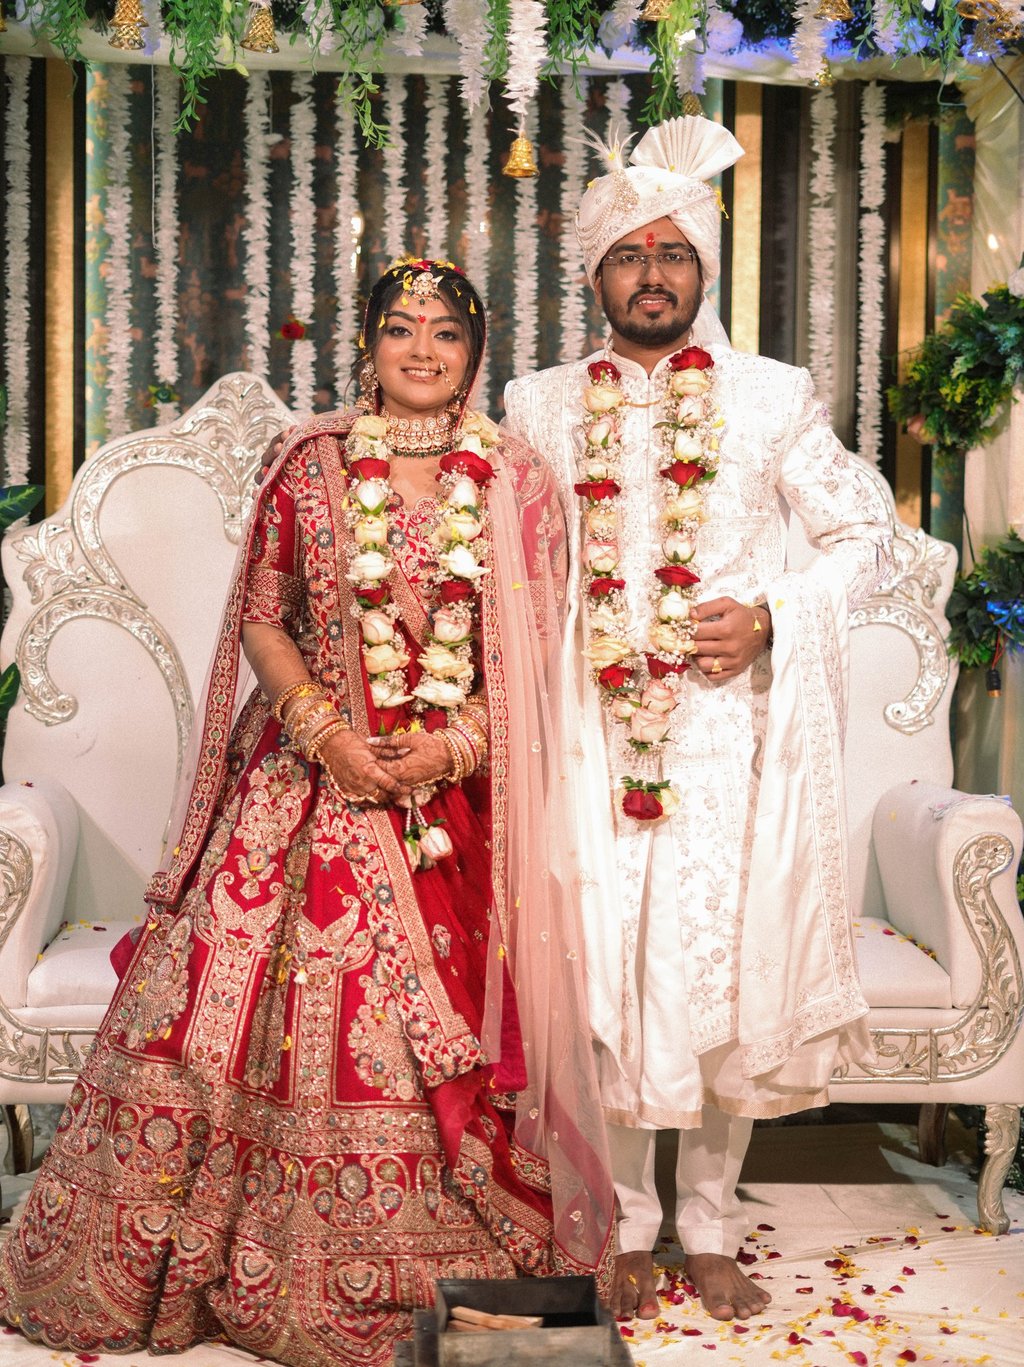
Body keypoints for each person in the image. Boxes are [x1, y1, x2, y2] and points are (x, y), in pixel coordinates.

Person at [0, 258, 613, 1366]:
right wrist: (324, 729)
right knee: (223, 977)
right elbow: (264, 613)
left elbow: (537, 659)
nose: (421, 348)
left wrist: (451, 744)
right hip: (303, 767)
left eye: (446, 331)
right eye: (399, 327)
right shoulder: (310, 463)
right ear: (367, 345)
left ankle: (427, 1253)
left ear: (476, 353)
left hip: (453, 798)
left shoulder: (519, 481)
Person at [501, 117, 894, 1325]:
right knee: (607, 961)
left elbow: (865, 536)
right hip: (588, 723)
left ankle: (710, 1223)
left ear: (703, 272)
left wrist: (774, 614)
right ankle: (623, 1221)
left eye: (674, 254)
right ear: (594, 274)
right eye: (629, 254)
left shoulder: (774, 397)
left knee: (721, 965)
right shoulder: (535, 404)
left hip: (729, 730)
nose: (653, 274)